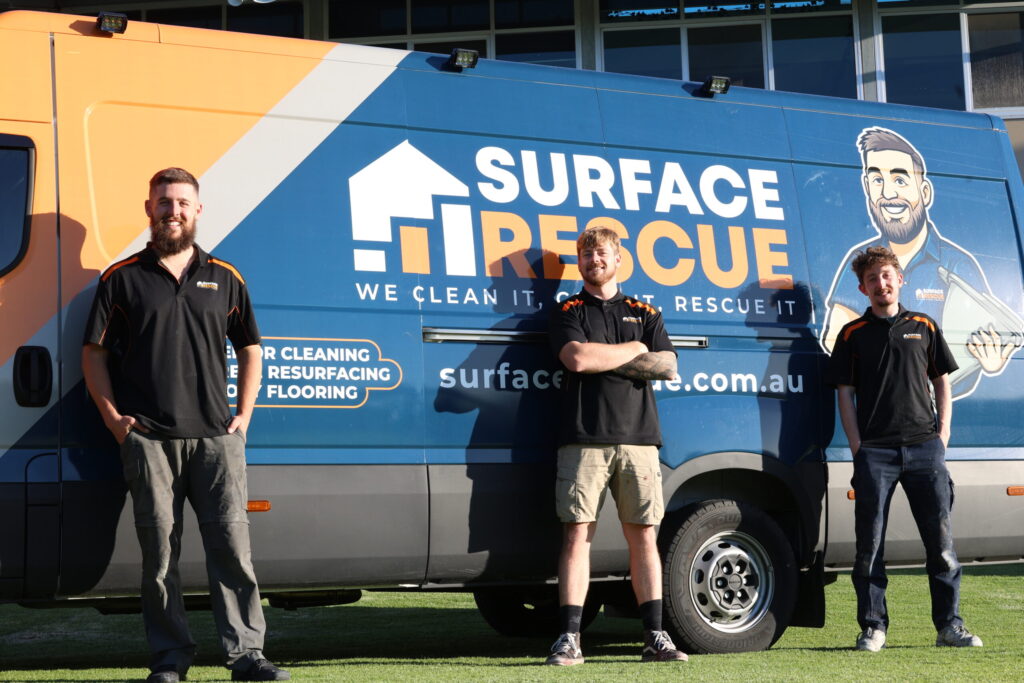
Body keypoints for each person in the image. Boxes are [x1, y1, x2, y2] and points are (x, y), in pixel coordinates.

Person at [82, 168, 290, 683]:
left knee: (232, 551)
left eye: (181, 203)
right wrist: (115, 422)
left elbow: (251, 348)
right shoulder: (121, 277)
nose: (172, 211)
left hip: (218, 439)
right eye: (163, 202)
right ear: (148, 208)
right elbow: (93, 354)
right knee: (159, 557)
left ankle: (246, 655)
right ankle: (170, 659)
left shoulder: (226, 277)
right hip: (148, 439)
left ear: (197, 211)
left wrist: (243, 417)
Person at [827, 245, 982, 653]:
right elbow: (845, 395)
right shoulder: (851, 335)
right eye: (873, 279)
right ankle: (873, 627)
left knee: (942, 546)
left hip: (925, 450)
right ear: (863, 288)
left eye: (887, 275)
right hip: (875, 454)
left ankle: (949, 626)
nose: (882, 284)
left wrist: (942, 435)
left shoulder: (924, 325)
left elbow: (941, 381)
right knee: (870, 547)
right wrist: (858, 447)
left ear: (900, 279)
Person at [545, 227, 687, 666]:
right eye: (585, 255)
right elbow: (578, 359)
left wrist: (619, 355)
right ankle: (569, 639)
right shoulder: (567, 310)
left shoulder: (645, 310)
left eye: (601, 253)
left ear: (619, 258)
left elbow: (667, 366)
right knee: (576, 535)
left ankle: (655, 637)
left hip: (640, 440)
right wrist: (635, 350)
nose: (593, 261)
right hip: (583, 439)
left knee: (644, 537)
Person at [821, 127, 1020, 397]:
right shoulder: (861, 264)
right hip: (881, 419)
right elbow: (837, 341)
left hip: (931, 423)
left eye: (900, 180)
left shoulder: (957, 264)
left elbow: (954, 369)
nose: (888, 194)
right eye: (877, 180)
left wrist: (991, 364)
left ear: (924, 192)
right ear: (867, 189)